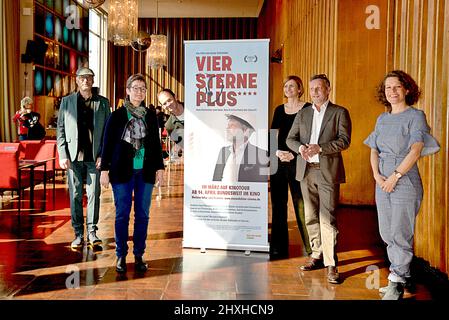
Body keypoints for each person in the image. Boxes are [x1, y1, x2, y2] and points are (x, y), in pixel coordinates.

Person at [364, 70, 439, 300]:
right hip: (382, 180)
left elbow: (415, 151)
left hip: (404, 180)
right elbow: (374, 149)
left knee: (401, 231)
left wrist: (395, 176)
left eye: (397, 87)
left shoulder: (416, 116)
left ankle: (396, 282)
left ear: (407, 89)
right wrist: (377, 176)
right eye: (388, 88)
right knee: (387, 232)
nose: (392, 92)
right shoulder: (382, 118)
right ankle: (402, 276)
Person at [286, 74, 352, 284]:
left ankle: (331, 263)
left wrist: (320, 148)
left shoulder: (339, 112)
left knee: (328, 216)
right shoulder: (303, 113)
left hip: (327, 171)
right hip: (305, 171)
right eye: (312, 88)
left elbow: (344, 140)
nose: (315, 92)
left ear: (328, 89)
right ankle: (316, 253)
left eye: (319, 88)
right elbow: (290, 138)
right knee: (311, 215)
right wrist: (301, 148)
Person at [100, 74, 165, 273]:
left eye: (143, 88)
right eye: (135, 88)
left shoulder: (150, 116)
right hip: (121, 172)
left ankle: (139, 254)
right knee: (121, 215)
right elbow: (107, 143)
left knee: (143, 215)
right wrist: (104, 169)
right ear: (127, 91)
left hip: (145, 172)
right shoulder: (117, 115)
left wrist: (160, 168)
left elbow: (155, 144)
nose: (139, 91)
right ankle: (121, 255)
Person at [57, 67, 111, 249]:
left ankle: (92, 232)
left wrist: (104, 155)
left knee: (94, 194)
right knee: (76, 195)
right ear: (77, 81)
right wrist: (62, 154)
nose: (86, 81)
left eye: (89, 77)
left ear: (93, 80)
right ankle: (78, 233)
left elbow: (107, 133)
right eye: (82, 78)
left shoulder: (103, 103)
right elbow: (61, 130)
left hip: (94, 158)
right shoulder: (67, 101)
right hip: (73, 158)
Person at [270, 75, 312, 260]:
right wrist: (278, 153)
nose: (288, 89)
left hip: (299, 160)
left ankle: (311, 248)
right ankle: (278, 246)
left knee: (301, 204)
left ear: (300, 89)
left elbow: (310, 135)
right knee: (278, 204)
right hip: (279, 160)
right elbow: (273, 134)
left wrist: (294, 153)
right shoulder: (279, 109)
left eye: (292, 86)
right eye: (286, 86)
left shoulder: (308, 108)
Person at [212, 114, 269, 183]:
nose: (227, 129)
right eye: (228, 126)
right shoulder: (223, 151)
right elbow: (215, 180)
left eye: (232, 126)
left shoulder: (261, 154)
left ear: (245, 130)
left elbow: (259, 186)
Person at [157, 89, 184, 157]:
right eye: (164, 103)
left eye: (169, 100)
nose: (168, 104)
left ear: (175, 97)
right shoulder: (169, 126)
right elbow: (183, 146)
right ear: (163, 107)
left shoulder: (193, 108)